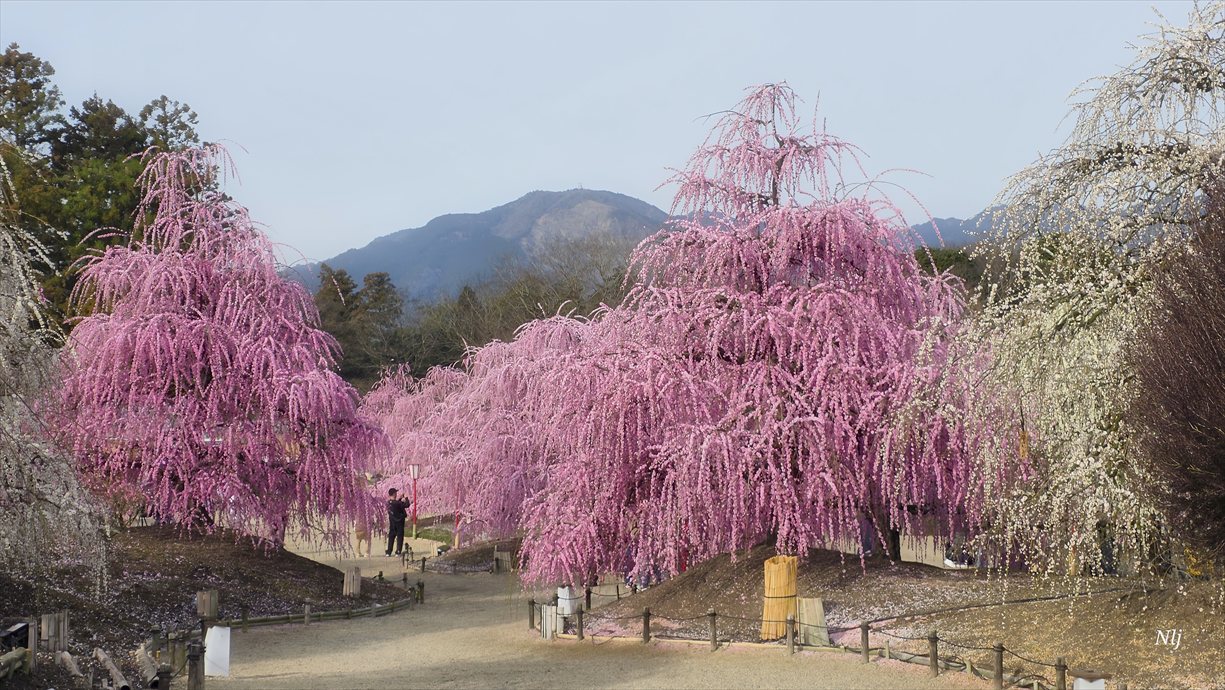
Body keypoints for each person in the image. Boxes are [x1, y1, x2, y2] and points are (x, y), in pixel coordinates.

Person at [386, 488, 409, 556]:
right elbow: (407, 505)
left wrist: (400, 499)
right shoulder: (398, 503)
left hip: (392, 522)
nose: (396, 494)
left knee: (391, 536)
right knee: (399, 536)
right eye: (395, 493)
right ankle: (398, 551)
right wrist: (406, 498)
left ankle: (389, 552)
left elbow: (396, 505)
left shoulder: (388, 503)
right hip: (400, 522)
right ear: (394, 494)